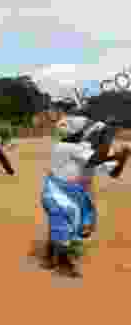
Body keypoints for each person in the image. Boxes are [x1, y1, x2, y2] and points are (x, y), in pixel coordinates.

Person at [41, 114, 129, 277]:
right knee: (64, 222)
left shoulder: (84, 149)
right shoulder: (64, 147)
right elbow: (97, 158)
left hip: (75, 195)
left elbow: (114, 172)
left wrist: (122, 159)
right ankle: (62, 263)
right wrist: (108, 134)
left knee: (75, 226)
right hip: (58, 192)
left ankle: (49, 255)